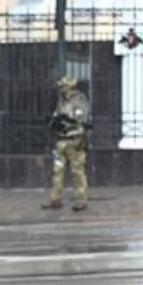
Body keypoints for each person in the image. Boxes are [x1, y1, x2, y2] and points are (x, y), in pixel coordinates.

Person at [43, 76, 92, 212]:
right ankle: (55, 199)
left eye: (64, 87)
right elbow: (58, 115)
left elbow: (82, 120)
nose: (62, 89)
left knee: (77, 171)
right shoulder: (61, 100)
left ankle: (81, 200)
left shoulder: (80, 100)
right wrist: (55, 122)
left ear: (71, 87)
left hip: (75, 140)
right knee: (57, 170)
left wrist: (68, 122)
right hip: (61, 140)